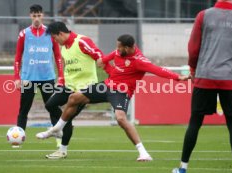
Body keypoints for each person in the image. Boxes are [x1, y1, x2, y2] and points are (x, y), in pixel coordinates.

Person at [37, 34, 188, 161]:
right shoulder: (118, 52)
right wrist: (106, 66)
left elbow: (158, 70)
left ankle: (143, 152)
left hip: (121, 92)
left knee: (121, 119)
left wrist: (177, 77)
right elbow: (103, 60)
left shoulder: (140, 61)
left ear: (128, 48)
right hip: (107, 85)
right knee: (74, 98)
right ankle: (56, 129)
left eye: (119, 47)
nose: (117, 49)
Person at [172, 1, 232, 173]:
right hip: (230, 79)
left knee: (195, 122)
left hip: (205, 75)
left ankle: (183, 168)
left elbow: (193, 48)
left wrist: (193, 69)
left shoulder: (204, 15)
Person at [39, 21, 109, 159]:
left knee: (67, 118)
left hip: (85, 90)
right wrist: (61, 83)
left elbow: (99, 55)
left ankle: (62, 150)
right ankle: (59, 128)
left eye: (54, 37)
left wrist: (105, 65)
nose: (54, 40)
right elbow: (66, 69)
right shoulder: (64, 47)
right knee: (50, 105)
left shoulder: (82, 41)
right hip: (68, 86)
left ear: (60, 33)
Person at [14, 4, 64, 148]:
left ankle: (58, 139)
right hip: (28, 78)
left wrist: (60, 76)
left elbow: (58, 56)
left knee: (52, 108)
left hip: (47, 77)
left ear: (43, 15)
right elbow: (18, 57)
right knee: (24, 110)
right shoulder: (24, 33)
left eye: (39, 15)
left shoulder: (51, 33)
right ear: (30, 16)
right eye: (34, 15)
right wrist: (17, 78)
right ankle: (18, 139)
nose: (36, 18)